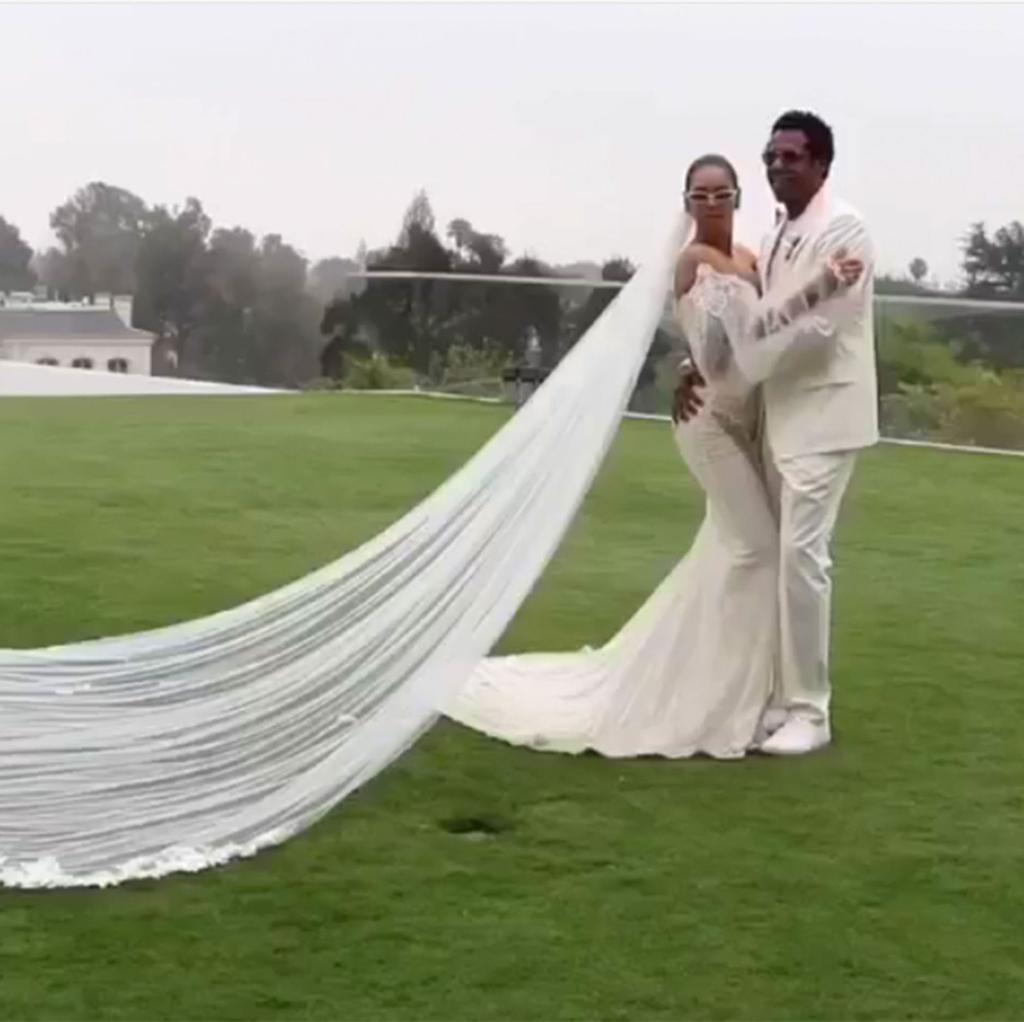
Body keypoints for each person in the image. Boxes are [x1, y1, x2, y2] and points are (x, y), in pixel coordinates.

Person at [445, 149, 864, 759]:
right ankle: (720, 696)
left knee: (734, 551)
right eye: (702, 194)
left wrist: (699, 360)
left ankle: (754, 690)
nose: (713, 203)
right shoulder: (694, 263)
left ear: (739, 197)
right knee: (757, 549)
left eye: (723, 193)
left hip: (748, 422)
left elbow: (729, 345)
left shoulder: (751, 256)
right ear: (687, 201)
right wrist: (817, 289)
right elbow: (729, 361)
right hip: (712, 424)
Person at [675, 111, 878, 756]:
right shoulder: (779, 231)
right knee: (773, 555)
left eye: (791, 156)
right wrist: (706, 364)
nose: (778, 166)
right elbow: (742, 324)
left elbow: (823, 332)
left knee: (800, 557)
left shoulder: (845, 228)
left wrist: (742, 358)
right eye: (771, 156)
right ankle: (774, 697)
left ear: (821, 163)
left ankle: (810, 712)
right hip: (774, 417)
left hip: (823, 414)